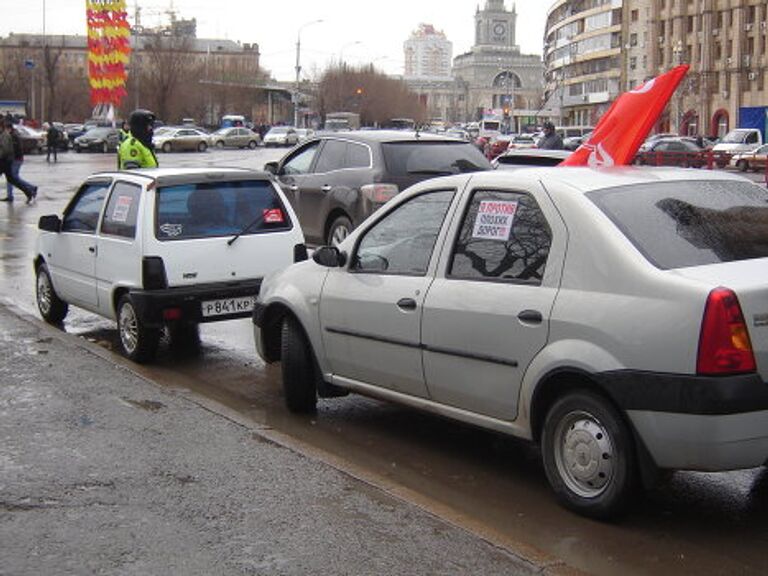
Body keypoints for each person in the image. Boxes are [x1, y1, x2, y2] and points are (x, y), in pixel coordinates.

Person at [0, 118, 37, 203]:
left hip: (5, 161)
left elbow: (5, 150)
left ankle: (29, 191)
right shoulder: (4, 134)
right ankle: (29, 192)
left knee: (13, 179)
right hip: (7, 161)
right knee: (12, 180)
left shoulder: (5, 135)